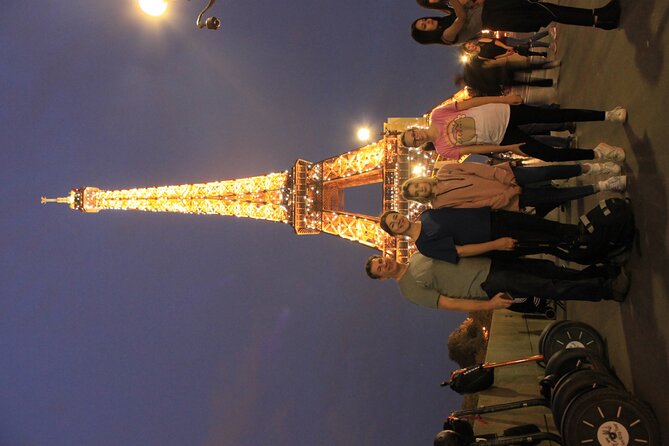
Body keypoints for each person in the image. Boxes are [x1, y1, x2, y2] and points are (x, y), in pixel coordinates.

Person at [364, 253, 630, 312]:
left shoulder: (417, 254)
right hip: (487, 282)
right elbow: (450, 303)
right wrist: (491, 305)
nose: (384, 264)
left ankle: (599, 274)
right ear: (381, 278)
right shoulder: (408, 290)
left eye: (380, 260)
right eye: (380, 269)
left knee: (549, 270)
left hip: (492, 261)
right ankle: (608, 290)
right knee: (548, 287)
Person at [399, 95, 628, 163]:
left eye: (412, 134)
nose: (416, 137)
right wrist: (509, 148)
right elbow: (477, 148)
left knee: (555, 115)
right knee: (547, 155)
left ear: (414, 128)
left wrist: (503, 98)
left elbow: (471, 103)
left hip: (502, 112)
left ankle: (608, 115)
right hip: (502, 136)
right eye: (414, 141)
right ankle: (598, 153)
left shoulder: (438, 115)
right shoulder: (443, 150)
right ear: (418, 146)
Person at [378, 208, 587, 263]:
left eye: (395, 216)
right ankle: (588, 252)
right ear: (395, 233)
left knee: (546, 226)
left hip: (495, 217)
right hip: (493, 236)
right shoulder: (424, 246)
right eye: (393, 224)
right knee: (548, 244)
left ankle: (585, 233)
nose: (398, 221)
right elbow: (461, 251)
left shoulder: (427, 214)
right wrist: (496, 244)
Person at [401, 161, 625, 213]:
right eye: (417, 193)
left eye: (416, 186)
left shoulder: (446, 171)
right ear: (419, 198)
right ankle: (604, 185)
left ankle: (594, 167)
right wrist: (508, 195)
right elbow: (478, 205)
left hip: (508, 175)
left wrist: (505, 179)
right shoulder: (441, 204)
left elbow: (478, 169)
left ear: (419, 181)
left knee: (550, 171)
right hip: (511, 197)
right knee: (555, 196)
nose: (420, 189)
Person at [412, 0, 621, 47]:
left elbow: (468, 8)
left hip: (495, 9)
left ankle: (598, 16)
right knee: (547, 13)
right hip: (498, 18)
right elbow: (463, 19)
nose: (427, 21)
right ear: (427, 35)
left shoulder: (445, 15)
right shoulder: (446, 37)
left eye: (423, 20)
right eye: (424, 26)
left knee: (546, 8)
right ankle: (600, 20)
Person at [462, 38, 547, 63]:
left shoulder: (481, 41)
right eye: (469, 47)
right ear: (470, 51)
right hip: (507, 51)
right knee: (525, 52)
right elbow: (495, 57)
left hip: (506, 42)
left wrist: (506, 47)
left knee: (526, 42)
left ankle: (547, 38)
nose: (471, 46)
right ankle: (542, 53)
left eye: (469, 44)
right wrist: (507, 54)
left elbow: (494, 41)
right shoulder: (480, 56)